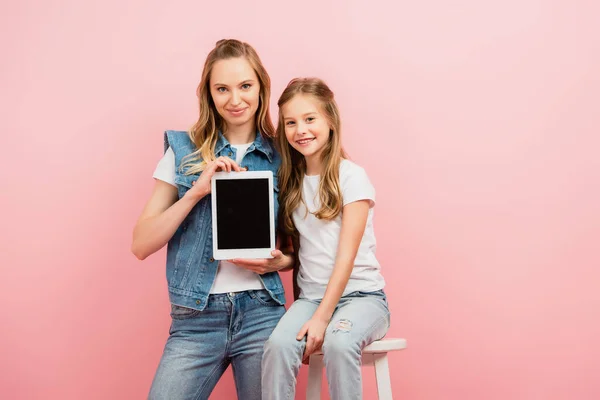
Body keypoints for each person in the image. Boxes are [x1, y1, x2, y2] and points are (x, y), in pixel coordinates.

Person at [131, 39, 293, 400]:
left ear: (261, 87)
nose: (235, 99)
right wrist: (196, 192)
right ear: (209, 93)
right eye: (222, 88)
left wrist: (282, 261)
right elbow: (141, 244)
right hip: (196, 318)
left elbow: (300, 247)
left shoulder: (284, 155)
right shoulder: (183, 150)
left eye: (245, 86)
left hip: (262, 314)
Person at [261, 78, 390, 400]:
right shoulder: (290, 183)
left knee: (339, 341)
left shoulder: (352, 176)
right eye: (290, 122)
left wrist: (321, 319)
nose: (300, 130)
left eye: (310, 119)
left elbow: (345, 257)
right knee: (277, 346)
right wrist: (282, 261)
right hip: (312, 299)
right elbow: (300, 253)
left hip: (362, 298)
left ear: (330, 120)